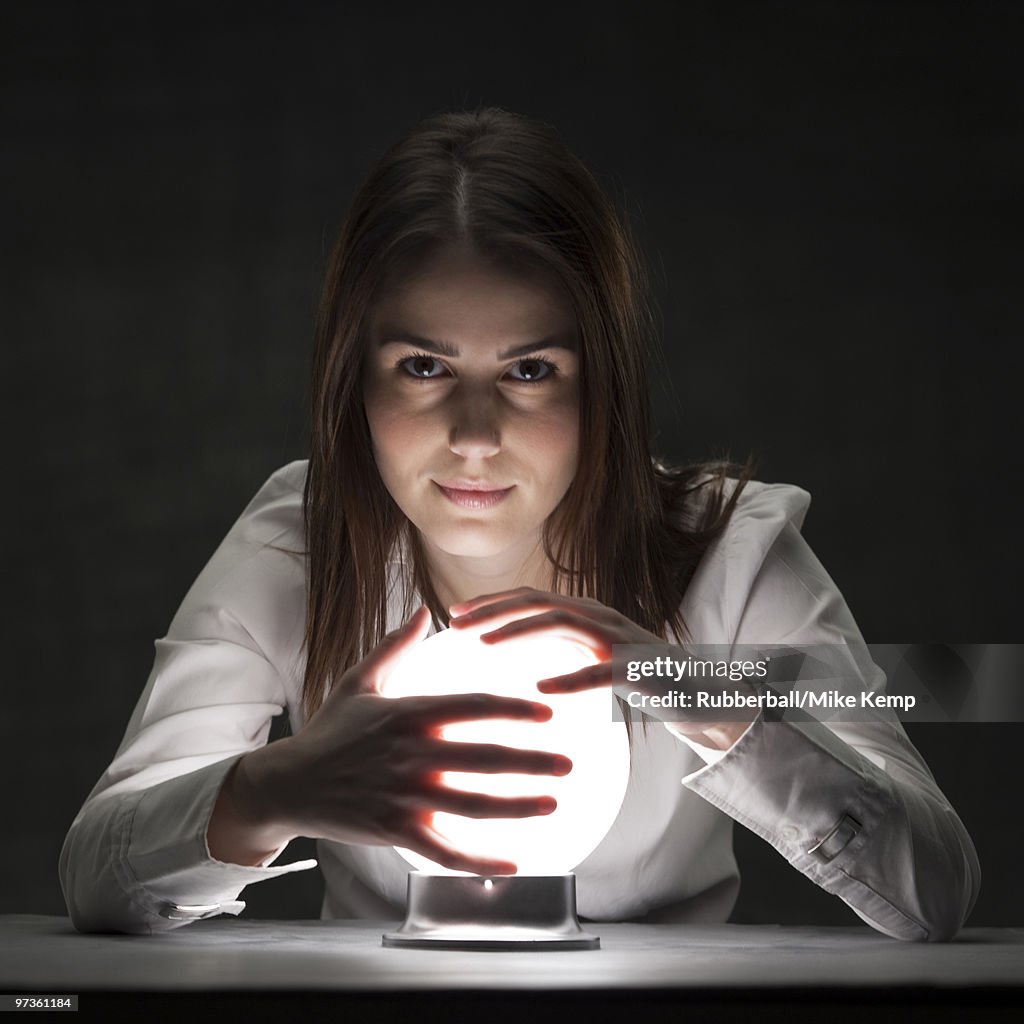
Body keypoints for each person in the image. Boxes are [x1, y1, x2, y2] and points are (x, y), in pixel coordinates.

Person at [59, 107, 979, 940]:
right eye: (423, 366)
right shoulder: (302, 541)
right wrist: (268, 791)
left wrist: (714, 703)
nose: (473, 437)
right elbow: (95, 874)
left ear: (601, 381)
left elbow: (935, 887)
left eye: (529, 371)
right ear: (354, 380)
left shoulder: (723, 549)